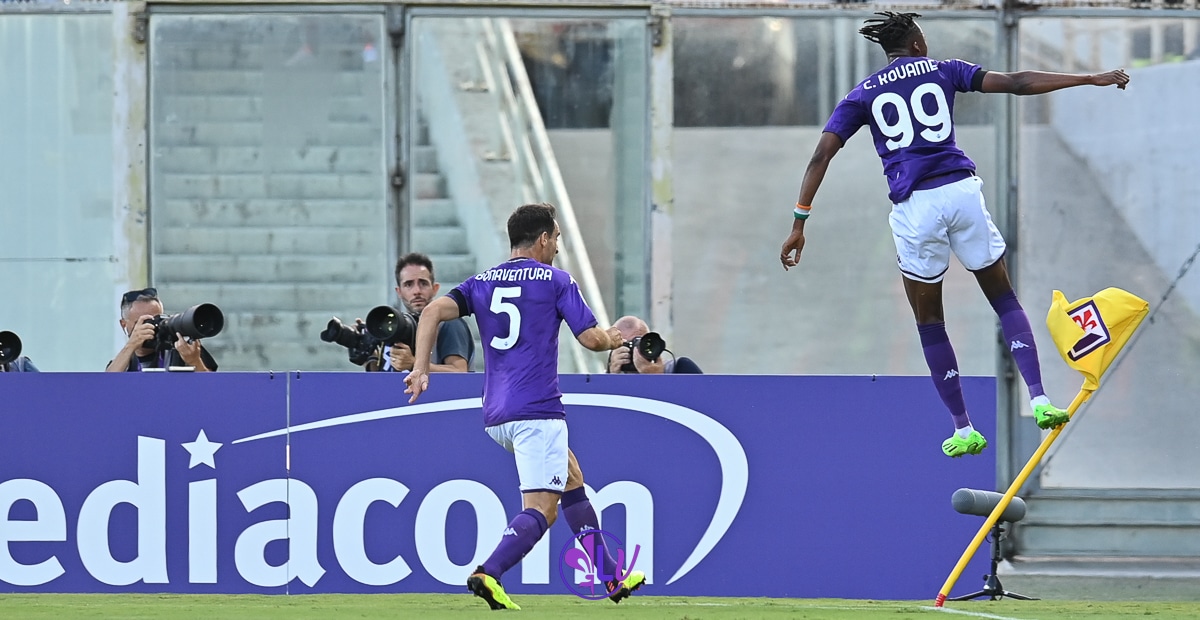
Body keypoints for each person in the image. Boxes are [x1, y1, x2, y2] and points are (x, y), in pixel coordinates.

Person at [778, 12, 1130, 458]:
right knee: (1003, 299)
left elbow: (821, 155)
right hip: (961, 191)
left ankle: (963, 427)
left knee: (930, 321)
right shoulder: (944, 69)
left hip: (915, 207)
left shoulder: (862, 94)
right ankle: (1040, 399)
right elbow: (1019, 83)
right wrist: (1089, 77)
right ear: (918, 45)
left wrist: (799, 222)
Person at [405, 203, 646, 610]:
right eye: (556, 239)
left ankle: (609, 578)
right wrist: (616, 337)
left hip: (496, 413)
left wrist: (419, 367)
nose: (557, 248)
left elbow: (431, 311)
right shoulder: (556, 281)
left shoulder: (482, 282)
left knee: (570, 477)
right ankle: (489, 571)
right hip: (537, 409)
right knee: (542, 510)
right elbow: (590, 340)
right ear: (544, 239)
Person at [359, 253, 474, 373]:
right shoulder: (396, 327)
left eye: (423, 283)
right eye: (408, 284)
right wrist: (369, 357)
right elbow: (385, 384)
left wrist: (414, 364)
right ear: (399, 291)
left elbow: (459, 372)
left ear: (435, 288)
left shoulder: (449, 322)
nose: (417, 291)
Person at [105, 288, 218, 372]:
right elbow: (106, 387)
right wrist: (131, 345)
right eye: (142, 322)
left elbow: (213, 391)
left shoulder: (181, 347)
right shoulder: (125, 360)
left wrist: (195, 361)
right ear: (123, 324)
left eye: (157, 320)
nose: (152, 327)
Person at [606, 315, 703, 374]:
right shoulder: (603, 380)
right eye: (627, 345)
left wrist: (657, 377)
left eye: (640, 343)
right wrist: (611, 377)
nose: (635, 351)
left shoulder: (678, 368)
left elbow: (707, 401)